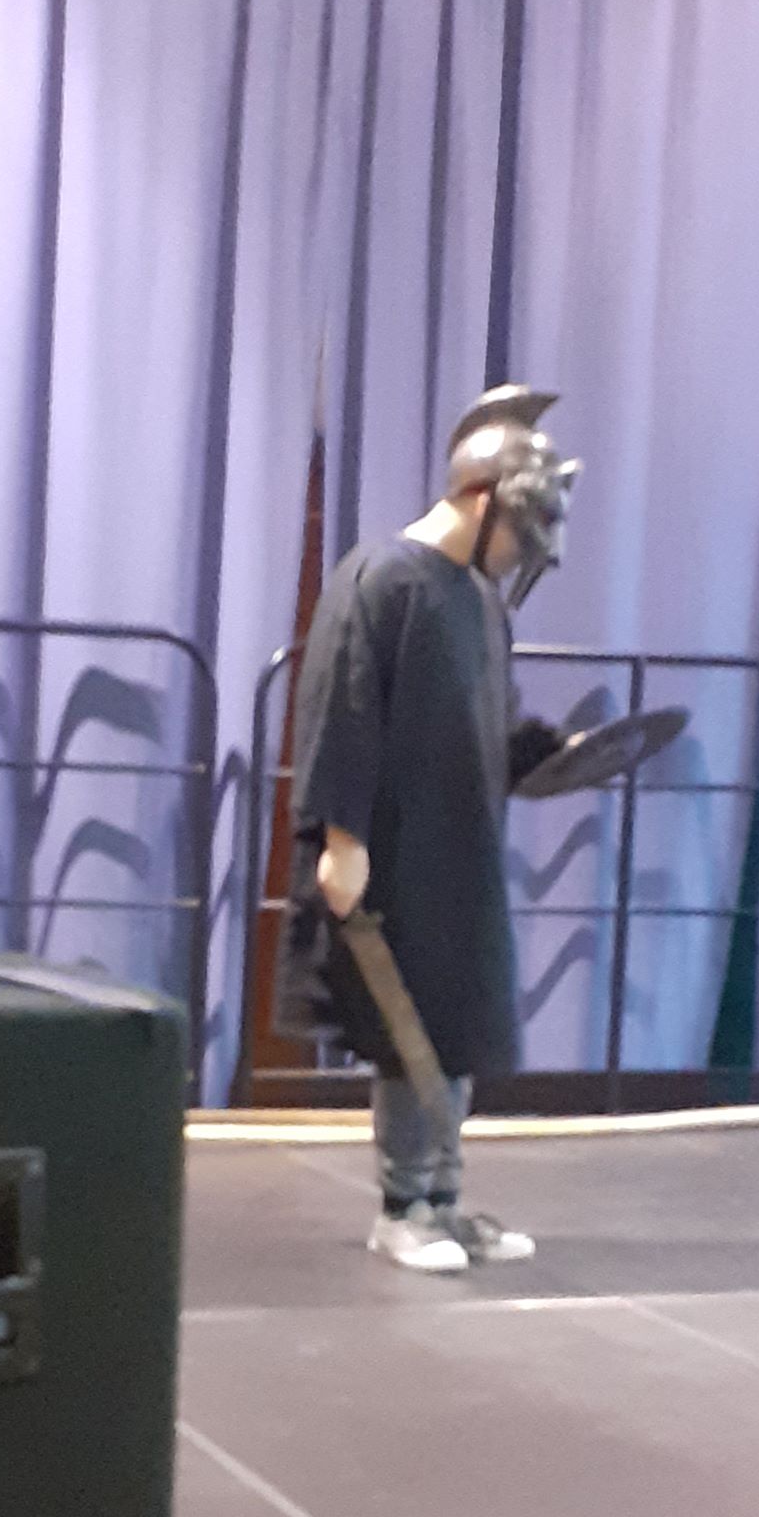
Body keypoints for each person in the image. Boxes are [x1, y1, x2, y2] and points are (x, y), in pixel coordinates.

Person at [274, 385, 579, 1272]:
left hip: (459, 852)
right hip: (396, 855)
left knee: (453, 1023)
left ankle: (443, 1197)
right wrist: (342, 837)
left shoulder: (478, 600)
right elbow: (340, 708)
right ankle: (403, 1203)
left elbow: (486, 721)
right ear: (482, 500)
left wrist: (547, 754)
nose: (519, 553)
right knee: (407, 1033)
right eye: (518, 529)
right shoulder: (382, 580)